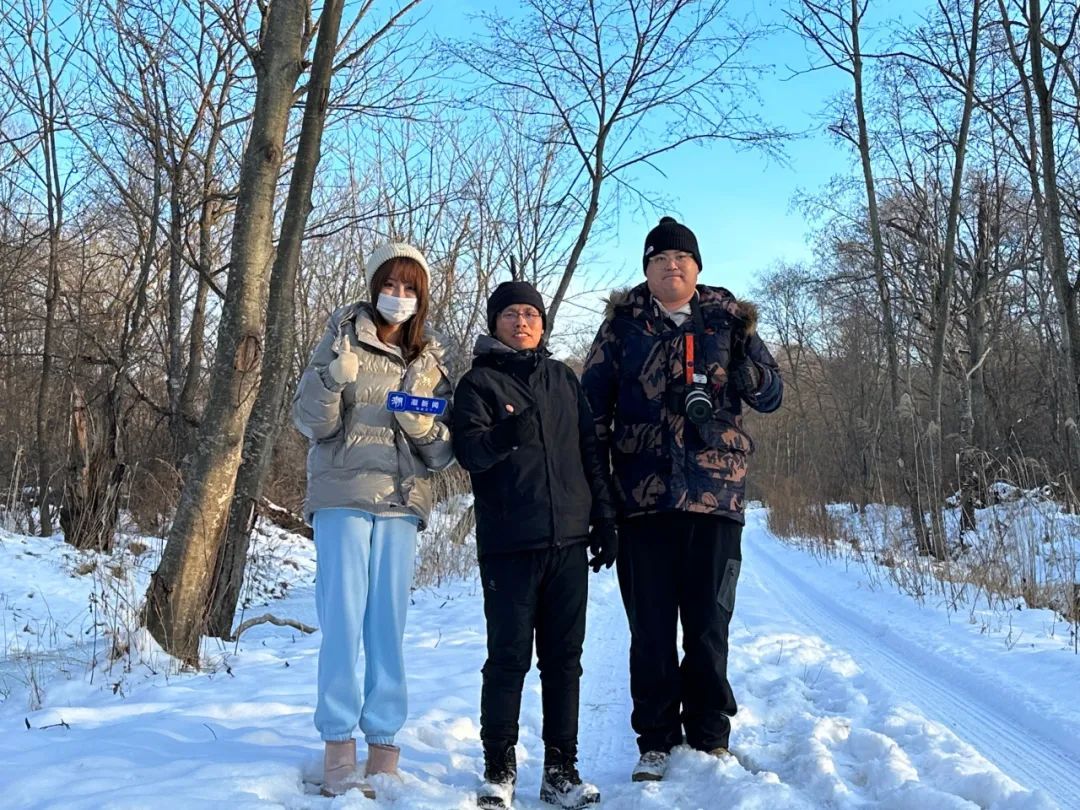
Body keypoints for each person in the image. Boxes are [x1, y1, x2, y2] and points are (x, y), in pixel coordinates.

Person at [581, 217, 783, 781]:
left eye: (682, 258)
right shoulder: (622, 327)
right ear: (646, 269)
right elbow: (590, 414)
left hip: (716, 499)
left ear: (697, 267)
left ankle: (711, 736)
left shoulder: (730, 320)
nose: (672, 266)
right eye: (660, 258)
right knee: (649, 630)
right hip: (642, 502)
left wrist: (745, 373)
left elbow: (772, 393)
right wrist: (601, 501)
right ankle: (655, 740)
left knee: (709, 625)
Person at [292, 241, 454, 797]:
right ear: (374, 286)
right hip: (343, 494)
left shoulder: (431, 358)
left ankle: (384, 744)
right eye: (390, 284)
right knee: (342, 619)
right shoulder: (341, 337)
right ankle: (338, 744)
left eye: (410, 288)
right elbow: (310, 422)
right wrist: (333, 380)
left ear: (421, 297)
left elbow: (444, 451)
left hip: (402, 502)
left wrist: (421, 427)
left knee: (388, 624)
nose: (399, 296)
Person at [452, 281, 617, 810]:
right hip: (509, 545)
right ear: (494, 323)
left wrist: (605, 516)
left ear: (543, 325)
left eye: (530, 314)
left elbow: (590, 451)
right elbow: (470, 453)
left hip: (568, 541)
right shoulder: (477, 383)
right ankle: (498, 769)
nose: (521, 322)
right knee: (508, 658)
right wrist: (508, 432)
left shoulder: (563, 379)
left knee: (564, 662)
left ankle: (560, 772)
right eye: (510, 314)